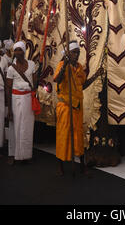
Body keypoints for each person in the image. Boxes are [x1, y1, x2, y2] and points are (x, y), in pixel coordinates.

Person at [53, 41, 88, 175]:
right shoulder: (62, 65)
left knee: (79, 136)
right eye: (74, 52)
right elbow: (58, 79)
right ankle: (60, 166)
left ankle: (82, 166)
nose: (77, 55)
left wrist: (95, 76)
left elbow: (82, 85)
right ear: (68, 53)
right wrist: (66, 64)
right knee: (63, 136)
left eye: (78, 52)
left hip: (77, 107)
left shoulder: (79, 67)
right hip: (65, 107)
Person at [6, 41, 39, 165]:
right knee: (15, 126)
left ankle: (25, 155)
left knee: (27, 127)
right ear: (14, 52)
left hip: (28, 99)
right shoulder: (11, 68)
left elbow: (34, 84)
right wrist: (9, 109)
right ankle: (13, 154)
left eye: (20, 50)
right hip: (16, 99)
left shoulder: (31, 65)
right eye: (16, 50)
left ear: (24, 51)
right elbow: (8, 89)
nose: (18, 52)